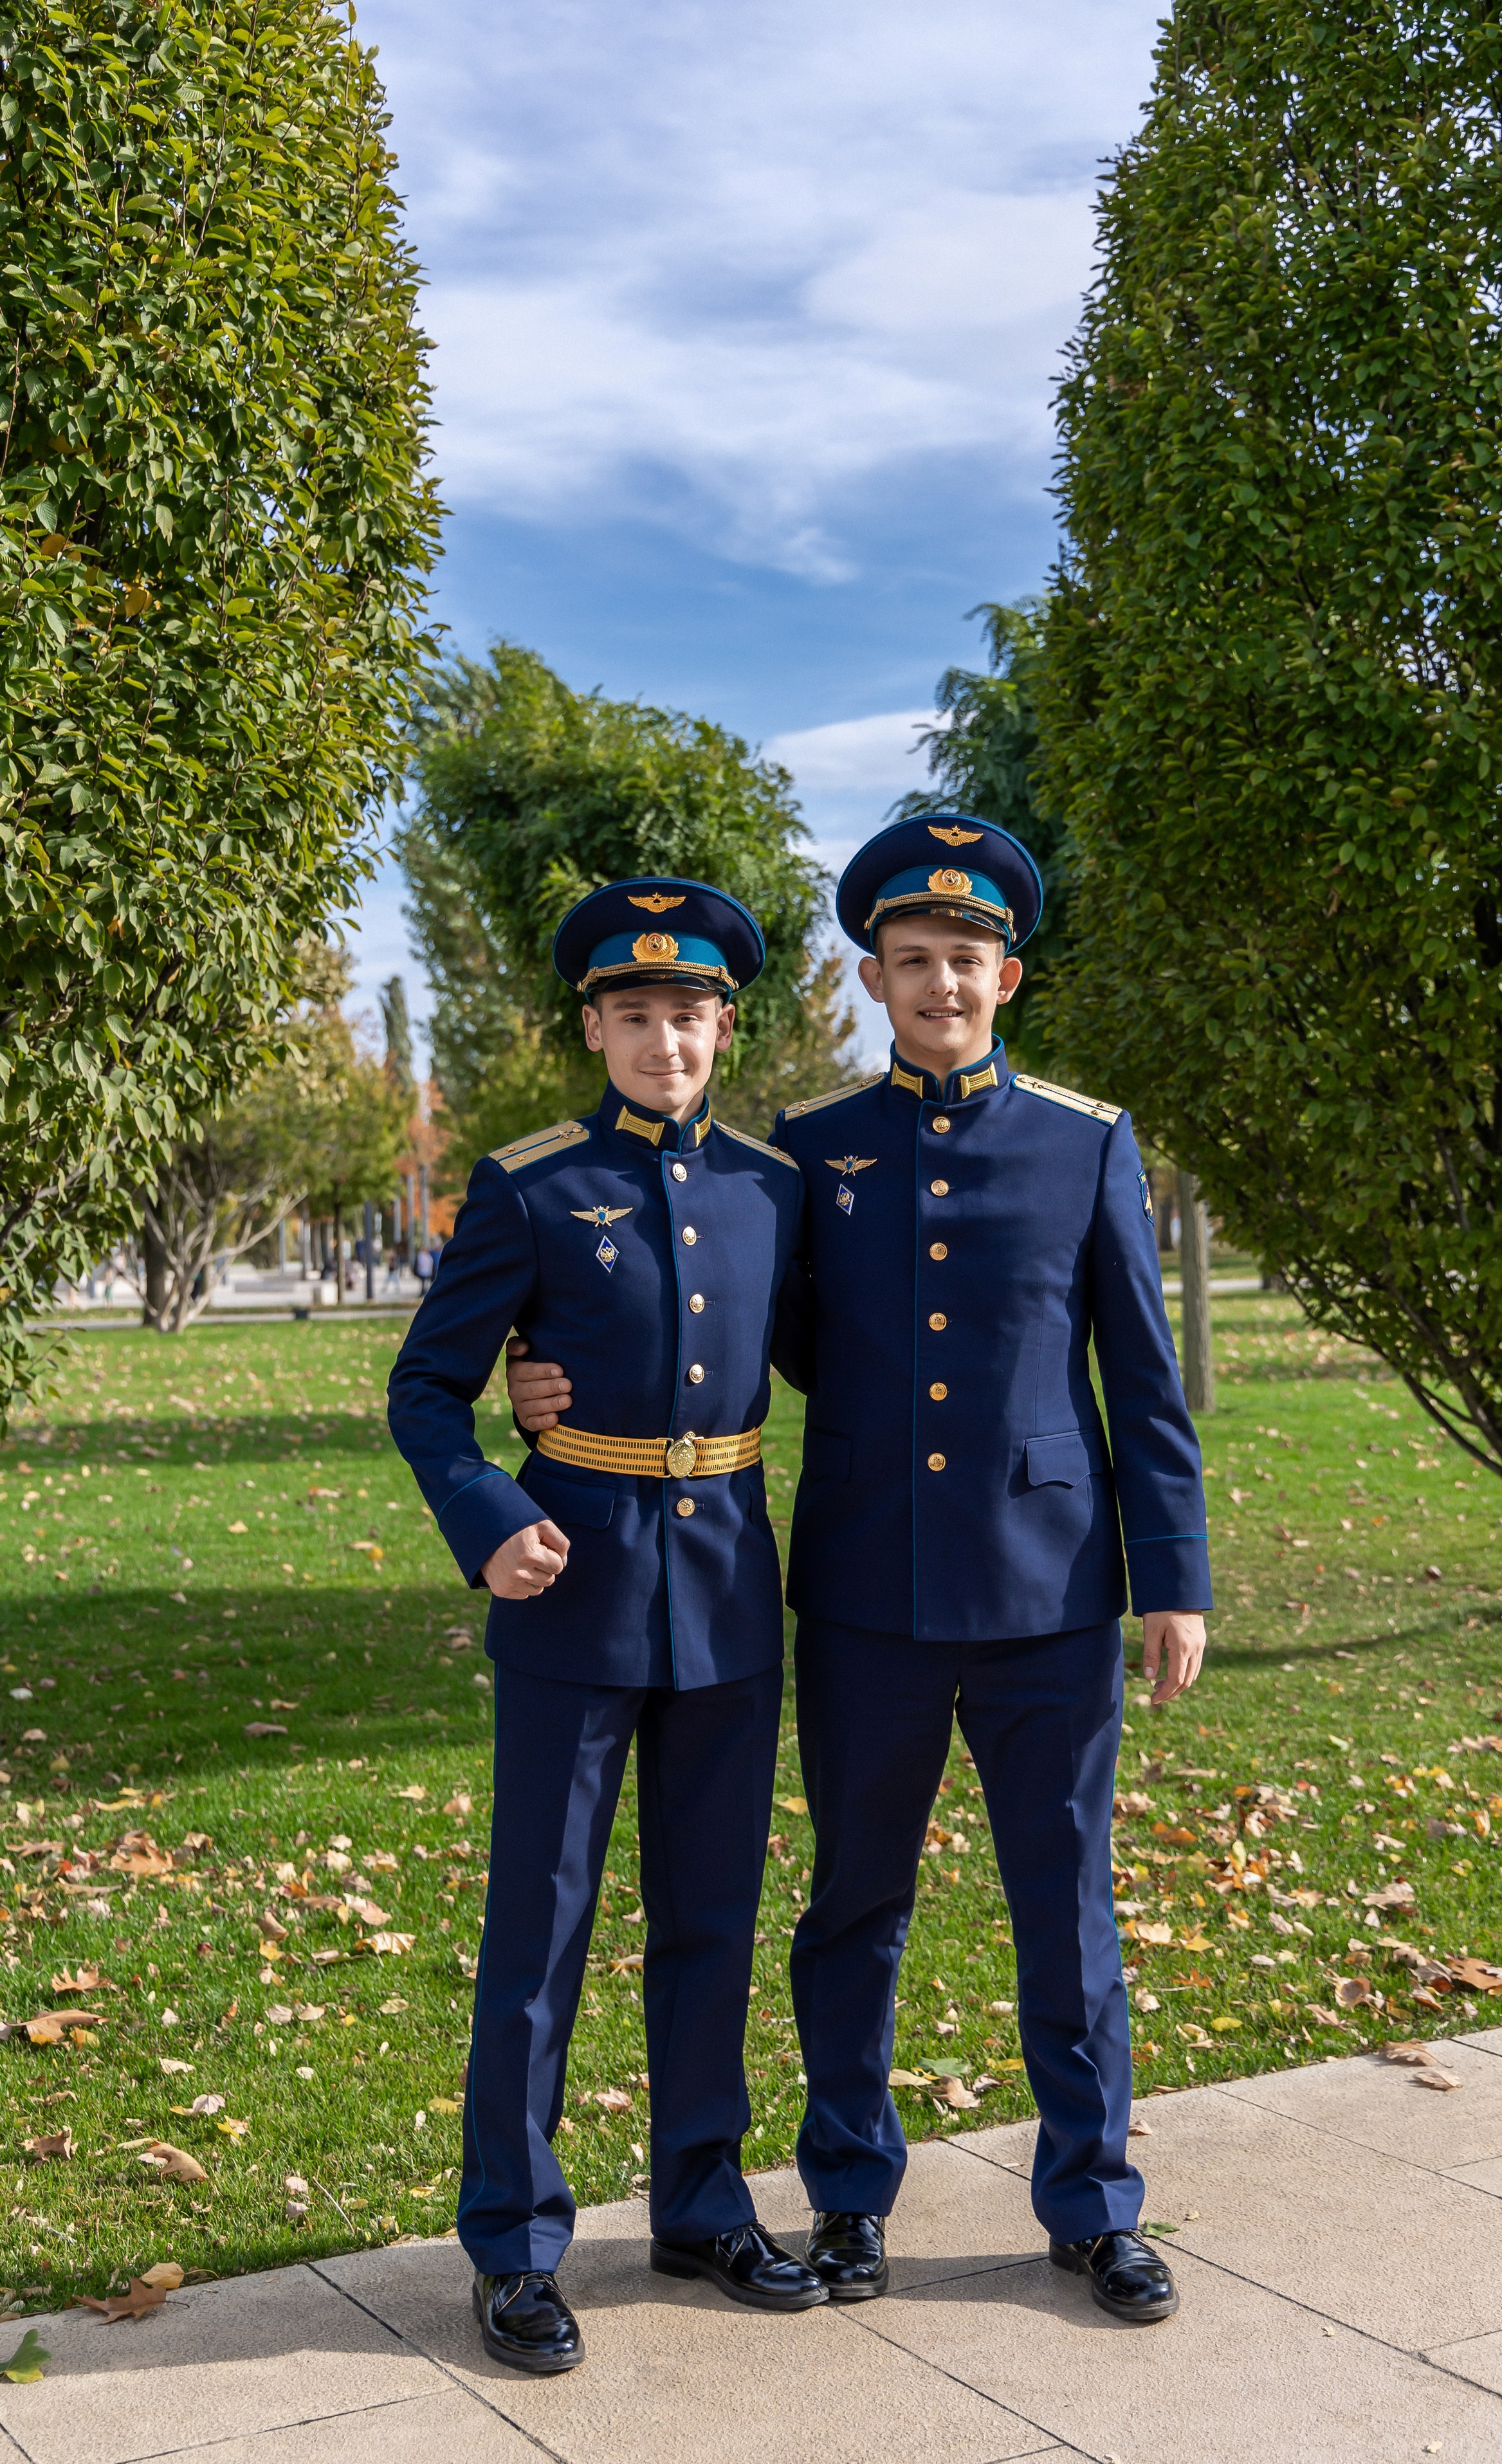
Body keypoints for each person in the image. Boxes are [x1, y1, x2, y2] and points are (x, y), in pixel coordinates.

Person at [508, 814, 1211, 2326]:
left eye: (964, 960)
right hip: (862, 1600)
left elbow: (1144, 1385)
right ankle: (846, 2197)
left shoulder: (1086, 1141)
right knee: (850, 1909)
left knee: (1064, 1908)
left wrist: (1176, 1576)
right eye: (911, 962)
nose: (939, 984)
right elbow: (717, 1318)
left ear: (1004, 975)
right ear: (874, 976)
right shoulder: (807, 1156)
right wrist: (537, 1372)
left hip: (1051, 1593)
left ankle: (1090, 2208)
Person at [387, 877, 825, 2377]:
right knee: (544, 1927)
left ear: (722, 1024)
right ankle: (513, 2242)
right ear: (592, 1024)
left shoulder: (774, 1188)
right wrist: (489, 1510)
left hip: (724, 1602)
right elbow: (420, 1391)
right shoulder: (525, 1184)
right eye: (631, 1014)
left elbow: (841, 1351)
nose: (662, 1038)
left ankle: (701, 2203)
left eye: (687, 1013)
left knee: (711, 1921)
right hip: (569, 1590)